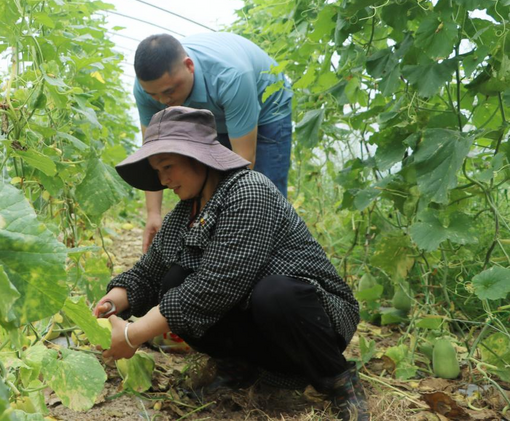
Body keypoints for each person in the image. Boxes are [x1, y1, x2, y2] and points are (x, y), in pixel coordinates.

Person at [93, 107, 367, 421]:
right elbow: (149, 272)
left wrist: (134, 335)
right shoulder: (185, 213)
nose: (163, 180)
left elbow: (214, 287)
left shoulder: (250, 190)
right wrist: (114, 300)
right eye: (158, 171)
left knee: (275, 294)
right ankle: (240, 367)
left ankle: (337, 379)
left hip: (311, 318)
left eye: (168, 166)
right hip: (264, 327)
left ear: (198, 158)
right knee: (173, 279)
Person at [133, 32, 293, 253]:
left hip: (266, 108)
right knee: (206, 184)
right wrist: (153, 214)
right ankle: (220, 255)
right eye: (154, 95)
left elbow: (245, 163)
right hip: (213, 112)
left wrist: (224, 215)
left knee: (262, 191)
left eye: (169, 91)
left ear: (189, 66)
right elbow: (154, 153)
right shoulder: (147, 89)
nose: (163, 101)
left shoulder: (231, 75)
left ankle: (277, 259)